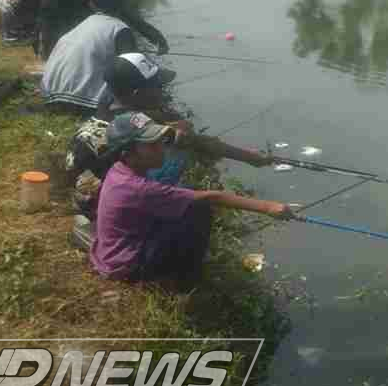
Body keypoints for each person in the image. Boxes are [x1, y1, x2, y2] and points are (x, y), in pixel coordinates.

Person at [89, 111, 293, 283]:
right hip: (126, 267)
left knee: (184, 200)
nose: (162, 148)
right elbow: (213, 197)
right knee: (198, 208)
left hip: (113, 254)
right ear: (127, 152)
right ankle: (186, 281)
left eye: (160, 141)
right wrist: (268, 207)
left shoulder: (119, 170)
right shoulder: (138, 188)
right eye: (152, 145)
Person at [68, 53, 274, 222]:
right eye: (158, 86)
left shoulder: (110, 109)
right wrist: (249, 157)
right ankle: (163, 198)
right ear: (137, 93)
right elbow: (199, 142)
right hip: (105, 208)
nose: (163, 91)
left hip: (87, 197)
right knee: (178, 141)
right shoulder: (136, 126)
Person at [41, 0, 168, 112]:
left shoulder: (83, 25)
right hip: (83, 101)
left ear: (92, 4)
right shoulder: (119, 28)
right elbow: (133, 68)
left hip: (50, 97)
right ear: (122, 4)